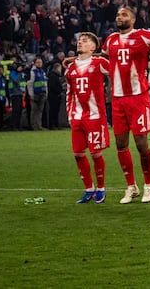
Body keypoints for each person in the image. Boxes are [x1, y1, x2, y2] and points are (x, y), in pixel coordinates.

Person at [102, 5, 150, 203]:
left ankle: (149, 186)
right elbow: (105, 58)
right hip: (117, 99)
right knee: (120, 144)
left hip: (138, 97)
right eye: (118, 14)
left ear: (133, 19)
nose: (119, 17)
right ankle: (131, 186)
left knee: (142, 144)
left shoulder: (144, 36)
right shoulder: (110, 40)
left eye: (124, 14)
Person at [66, 32, 110, 203]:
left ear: (93, 47)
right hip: (77, 116)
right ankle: (88, 188)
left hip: (95, 116)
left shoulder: (99, 63)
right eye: (79, 40)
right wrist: (70, 113)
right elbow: (69, 93)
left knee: (96, 153)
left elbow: (116, 70)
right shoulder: (70, 68)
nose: (80, 43)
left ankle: (100, 188)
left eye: (85, 41)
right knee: (78, 153)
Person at [29, 57, 48, 131]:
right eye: (38, 62)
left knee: (40, 110)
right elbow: (30, 83)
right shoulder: (33, 71)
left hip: (42, 92)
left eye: (41, 62)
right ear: (34, 63)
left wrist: (46, 92)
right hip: (36, 93)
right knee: (34, 110)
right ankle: (33, 125)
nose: (40, 64)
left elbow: (45, 83)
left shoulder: (42, 72)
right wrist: (31, 94)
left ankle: (39, 125)